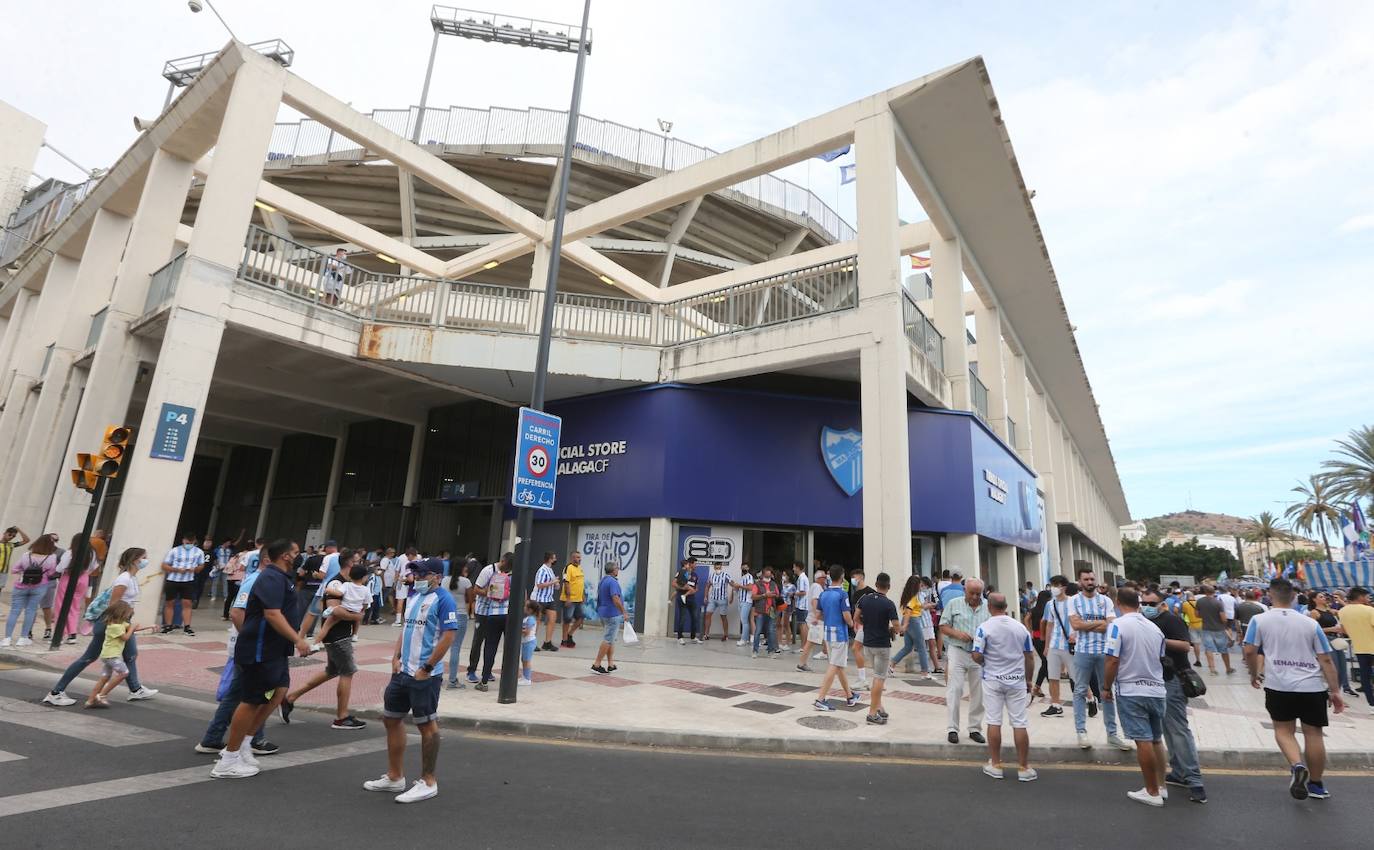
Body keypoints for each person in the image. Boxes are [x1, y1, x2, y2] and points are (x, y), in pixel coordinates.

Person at [212, 540, 310, 779]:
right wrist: (298, 640)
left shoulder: (283, 579)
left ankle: (244, 743)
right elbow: (272, 614)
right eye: (296, 553)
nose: (299, 556)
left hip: (275, 649)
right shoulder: (270, 578)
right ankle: (228, 759)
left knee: (279, 691)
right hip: (260, 649)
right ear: (286, 556)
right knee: (251, 700)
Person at [363, 558, 459, 803]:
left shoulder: (444, 599)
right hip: (402, 673)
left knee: (427, 725)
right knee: (391, 719)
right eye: (415, 574)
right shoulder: (414, 596)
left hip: (424, 676)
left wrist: (427, 668)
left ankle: (428, 781)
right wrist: (395, 657)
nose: (417, 578)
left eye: (423, 574)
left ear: (437, 576)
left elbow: (448, 636)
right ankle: (395, 777)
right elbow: (406, 629)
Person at [1244, 578, 1345, 800]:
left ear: (1270, 595)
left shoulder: (1258, 620)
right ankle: (1317, 786)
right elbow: (1326, 659)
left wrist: (1254, 674)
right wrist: (1335, 690)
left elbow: (1250, 651)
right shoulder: (1310, 623)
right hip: (1312, 686)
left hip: (1278, 686)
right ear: (1293, 597)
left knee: (1283, 730)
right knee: (1314, 734)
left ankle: (1297, 765)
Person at [43, 548, 159, 706]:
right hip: (112, 624)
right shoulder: (124, 579)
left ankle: (135, 689)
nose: (147, 560)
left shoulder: (131, 578)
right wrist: (118, 627)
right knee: (88, 658)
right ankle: (56, 692)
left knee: (131, 655)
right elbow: (113, 605)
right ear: (134, 559)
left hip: (122, 622)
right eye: (144, 557)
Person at [1139, 585, 1207, 803]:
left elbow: (1185, 645)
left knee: (1178, 730)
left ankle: (1195, 780)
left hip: (1173, 681)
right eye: (1144, 603)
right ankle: (1179, 771)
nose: (1147, 607)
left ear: (1162, 604)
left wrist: (1158, 639)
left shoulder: (1171, 620)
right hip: (1157, 682)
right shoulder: (1147, 621)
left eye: (1151, 604)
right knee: (1167, 729)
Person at [1103, 588, 1169, 806]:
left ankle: (1151, 792)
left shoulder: (1117, 626)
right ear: (1139, 603)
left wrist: (1106, 687)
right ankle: (1161, 786)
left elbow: (1112, 660)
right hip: (1156, 690)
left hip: (1131, 691)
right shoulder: (1154, 628)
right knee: (1156, 739)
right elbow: (1160, 657)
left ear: (1118, 603)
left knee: (1143, 741)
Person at [972, 593, 1037, 781]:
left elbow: (976, 655)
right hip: (1016, 679)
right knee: (1019, 722)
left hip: (992, 679)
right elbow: (1029, 656)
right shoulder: (1020, 628)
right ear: (1006, 606)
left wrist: (984, 660)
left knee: (994, 721)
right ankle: (1024, 767)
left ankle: (996, 764)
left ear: (989, 607)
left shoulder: (984, 628)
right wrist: (1028, 680)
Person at [1068, 567, 1132, 751]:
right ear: (1080, 582)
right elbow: (1075, 624)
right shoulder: (1074, 601)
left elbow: (1111, 625)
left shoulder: (1105, 601)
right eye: (1086, 579)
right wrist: (1099, 623)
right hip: (1082, 651)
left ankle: (1112, 734)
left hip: (1104, 652)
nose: (1090, 582)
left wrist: (1086, 625)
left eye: (1092, 579)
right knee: (1080, 690)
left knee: (1107, 692)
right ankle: (1081, 732)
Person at [195, 623, 277, 757]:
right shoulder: (248, 601)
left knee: (238, 695)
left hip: (250, 649)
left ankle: (213, 739)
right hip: (251, 651)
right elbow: (237, 613)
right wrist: (251, 640)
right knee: (252, 696)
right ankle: (253, 739)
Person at [940, 577, 989, 744]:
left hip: (979, 654)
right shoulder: (954, 604)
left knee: (979, 692)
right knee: (955, 689)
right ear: (965, 591)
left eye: (978, 593)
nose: (975, 597)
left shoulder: (988, 607)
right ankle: (952, 728)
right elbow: (943, 626)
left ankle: (975, 728)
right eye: (972, 593)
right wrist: (957, 634)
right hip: (958, 651)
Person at [82, 602, 152, 708]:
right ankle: (102, 695)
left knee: (104, 678)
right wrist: (132, 628)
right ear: (122, 613)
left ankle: (90, 701)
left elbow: (132, 629)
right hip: (112, 657)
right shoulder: (114, 627)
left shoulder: (120, 624)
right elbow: (126, 637)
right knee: (124, 673)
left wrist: (150, 626)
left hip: (108, 656)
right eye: (128, 614)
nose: (129, 616)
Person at [812, 565, 860, 712]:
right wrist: (853, 624)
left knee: (839, 666)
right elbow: (847, 616)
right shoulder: (842, 594)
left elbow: (818, 614)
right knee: (834, 666)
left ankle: (850, 695)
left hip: (828, 633)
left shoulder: (824, 593)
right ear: (842, 576)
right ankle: (820, 699)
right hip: (839, 634)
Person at [854, 572, 899, 725]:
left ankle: (879, 707)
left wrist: (867, 623)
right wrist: (896, 628)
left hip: (867, 644)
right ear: (889, 586)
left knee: (876, 676)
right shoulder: (889, 604)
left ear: (876, 583)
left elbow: (856, 617)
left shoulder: (865, 599)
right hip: (882, 645)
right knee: (879, 678)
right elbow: (897, 627)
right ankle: (872, 714)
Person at [2, 534, 57, 646]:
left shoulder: (26, 555)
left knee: (14, 611)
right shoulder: (52, 557)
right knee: (31, 611)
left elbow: (14, 569)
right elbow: (52, 573)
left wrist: (24, 571)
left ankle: (7, 639)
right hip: (39, 587)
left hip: (21, 586)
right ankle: (23, 638)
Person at [471, 553, 513, 691]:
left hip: (493, 614)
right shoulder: (489, 571)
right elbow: (476, 589)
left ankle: (485, 679)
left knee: (491, 646)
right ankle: (507, 679)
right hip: (496, 613)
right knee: (482, 642)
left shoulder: (503, 575)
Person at [51, 533, 99, 643]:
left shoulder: (70, 552)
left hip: (68, 577)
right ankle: (72, 634)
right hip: (83, 578)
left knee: (61, 605)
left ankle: (60, 634)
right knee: (75, 606)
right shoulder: (92, 553)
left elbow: (60, 568)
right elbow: (94, 567)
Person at [1039, 575, 1074, 718]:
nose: (1053, 588)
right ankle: (1055, 705)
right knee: (1053, 676)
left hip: (1070, 644)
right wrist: (1046, 646)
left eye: (1056, 585)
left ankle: (1090, 698)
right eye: (1052, 585)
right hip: (1055, 644)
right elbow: (1049, 624)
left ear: (1063, 587)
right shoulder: (1050, 604)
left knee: (1076, 676)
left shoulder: (1074, 602)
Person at [1336, 586, 1374, 713]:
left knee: (1365, 677)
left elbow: (1344, 630)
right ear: (1361, 597)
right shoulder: (1369, 610)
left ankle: (1371, 705)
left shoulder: (1342, 612)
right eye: (1367, 596)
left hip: (1359, 648)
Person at [161, 532, 206, 636]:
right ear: (183, 540)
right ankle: (168, 625)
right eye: (187, 542)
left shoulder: (199, 552)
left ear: (194, 542)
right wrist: (176, 569)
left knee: (187, 603)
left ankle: (187, 627)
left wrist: (194, 569)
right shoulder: (174, 551)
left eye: (191, 542)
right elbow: (164, 565)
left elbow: (201, 566)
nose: (188, 544)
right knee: (170, 603)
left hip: (188, 581)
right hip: (173, 580)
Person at [1308, 593, 1352, 696]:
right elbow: (1313, 630)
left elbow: (1349, 611)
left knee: (1342, 666)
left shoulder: (1330, 611)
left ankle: (1336, 691)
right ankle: (1334, 692)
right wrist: (1331, 629)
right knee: (1334, 665)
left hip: (1336, 638)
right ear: (1314, 600)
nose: (1324, 598)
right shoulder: (1314, 612)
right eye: (1321, 597)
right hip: (1326, 638)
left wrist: (1340, 600)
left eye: (1324, 597)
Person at [891, 575, 932, 678]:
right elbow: (909, 611)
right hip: (913, 621)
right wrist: (904, 625)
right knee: (922, 647)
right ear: (916, 585)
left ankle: (892, 665)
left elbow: (915, 607)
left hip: (909, 621)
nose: (921, 586)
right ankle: (925, 672)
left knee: (908, 647)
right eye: (920, 584)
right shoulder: (913, 597)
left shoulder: (908, 596)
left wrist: (927, 605)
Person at [591, 561, 627, 675]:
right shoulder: (613, 582)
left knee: (611, 639)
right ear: (613, 570)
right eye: (617, 568)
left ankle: (611, 664)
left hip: (604, 613)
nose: (618, 570)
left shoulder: (603, 580)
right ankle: (596, 664)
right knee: (608, 639)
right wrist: (624, 612)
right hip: (612, 614)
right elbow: (615, 598)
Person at [445, 560, 473, 689]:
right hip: (460, 615)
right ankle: (452, 680)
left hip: (445, 615)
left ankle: (436, 675)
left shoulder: (444, 580)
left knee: (439, 645)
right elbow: (470, 599)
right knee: (455, 648)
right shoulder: (466, 582)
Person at [1195, 585, 1233, 675]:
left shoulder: (1200, 601)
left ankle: (1212, 670)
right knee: (1223, 649)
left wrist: (1205, 616)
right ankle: (1228, 668)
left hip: (1206, 628)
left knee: (1208, 649)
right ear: (1214, 592)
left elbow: (1197, 614)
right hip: (1219, 629)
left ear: (1205, 592)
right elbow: (1223, 618)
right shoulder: (1218, 603)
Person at [531, 552, 560, 652]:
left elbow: (551, 583)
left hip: (549, 598)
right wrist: (553, 582)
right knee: (537, 621)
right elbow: (539, 584)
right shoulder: (542, 570)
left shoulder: (550, 570)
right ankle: (532, 642)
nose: (555, 560)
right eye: (554, 558)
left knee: (552, 618)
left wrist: (556, 583)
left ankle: (547, 642)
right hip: (540, 598)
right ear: (550, 559)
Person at [751, 566, 781, 657]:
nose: (768, 578)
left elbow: (777, 595)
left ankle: (771, 651)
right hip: (760, 611)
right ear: (763, 574)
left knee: (771, 631)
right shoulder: (757, 584)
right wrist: (764, 595)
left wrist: (773, 595)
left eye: (769, 576)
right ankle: (755, 651)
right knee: (758, 631)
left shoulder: (773, 584)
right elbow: (753, 596)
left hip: (771, 610)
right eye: (766, 576)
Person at [559, 551, 585, 648]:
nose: (579, 559)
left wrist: (583, 595)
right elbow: (566, 583)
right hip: (569, 599)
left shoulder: (580, 569)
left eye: (579, 557)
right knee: (567, 620)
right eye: (576, 557)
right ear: (572, 558)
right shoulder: (568, 568)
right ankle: (564, 640)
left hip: (578, 599)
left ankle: (569, 635)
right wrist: (568, 598)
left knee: (580, 618)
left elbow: (581, 583)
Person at [0, 525, 32, 602]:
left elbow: (26, 540)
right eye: (10, 534)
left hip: (4, 572)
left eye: (13, 536)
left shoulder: (11, 545)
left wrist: (19, 529)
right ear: (5, 533)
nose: (11, 537)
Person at [702, 560, 732, 641]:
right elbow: (707, 586)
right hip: (713, 599)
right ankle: (706, 634)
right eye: (716, 568)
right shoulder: (711, 575)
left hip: (722, 599)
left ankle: (725, 635)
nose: (718, 569)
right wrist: (705, 596)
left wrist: (732, 594)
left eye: (719, 567)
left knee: (723, 617)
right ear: (714, 568)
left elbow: (732, 584)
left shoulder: (726, 575)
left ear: (721, 567)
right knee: (708, 614)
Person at [673, 558, 699, 644]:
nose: (696, 565)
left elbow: (696, 588)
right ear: (690, 564)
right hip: (682, 599)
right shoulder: (681, 573)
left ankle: (693, 637)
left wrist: (693, 590)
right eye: (695, 564)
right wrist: (682, 588)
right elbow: (674, 583)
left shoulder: (695, 575)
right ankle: (680, 637)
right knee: (683, 618)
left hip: (692, 599)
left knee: (695, 618)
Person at [733, 562, 755, 646]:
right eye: (743, 567)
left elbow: (750, 588)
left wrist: (739, 586)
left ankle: (744, 639)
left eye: (746, 567)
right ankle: (746, 638)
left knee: (744, 621)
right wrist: (736, 587)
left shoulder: (749, 576)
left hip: (747, 601)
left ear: (748, 568)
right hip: (741, 601)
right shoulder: (742, 577)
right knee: (744, 621)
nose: (744, 569)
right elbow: (740, 589)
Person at [791, 562, 810, 652]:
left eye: (794, 567)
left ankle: (803, 646)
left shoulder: (802, 578)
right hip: (802, 605)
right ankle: (804, 646)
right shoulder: (802, 577)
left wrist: (793, 593)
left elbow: (803, 592)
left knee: (802, 625)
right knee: (803, 625)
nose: (793, 569)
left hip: (802, 605)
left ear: (798, 568)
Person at [520, 601, 539, 685]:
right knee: (524, 659)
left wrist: (517, 629)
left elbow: (527, 632)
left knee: (527, 660)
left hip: (529, 642)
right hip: (525, 642)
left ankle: (527, 678)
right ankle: (524, 676)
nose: (523, 607)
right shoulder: (526, 618)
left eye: (525, 606)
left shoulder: (530, 619)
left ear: (530, 610)